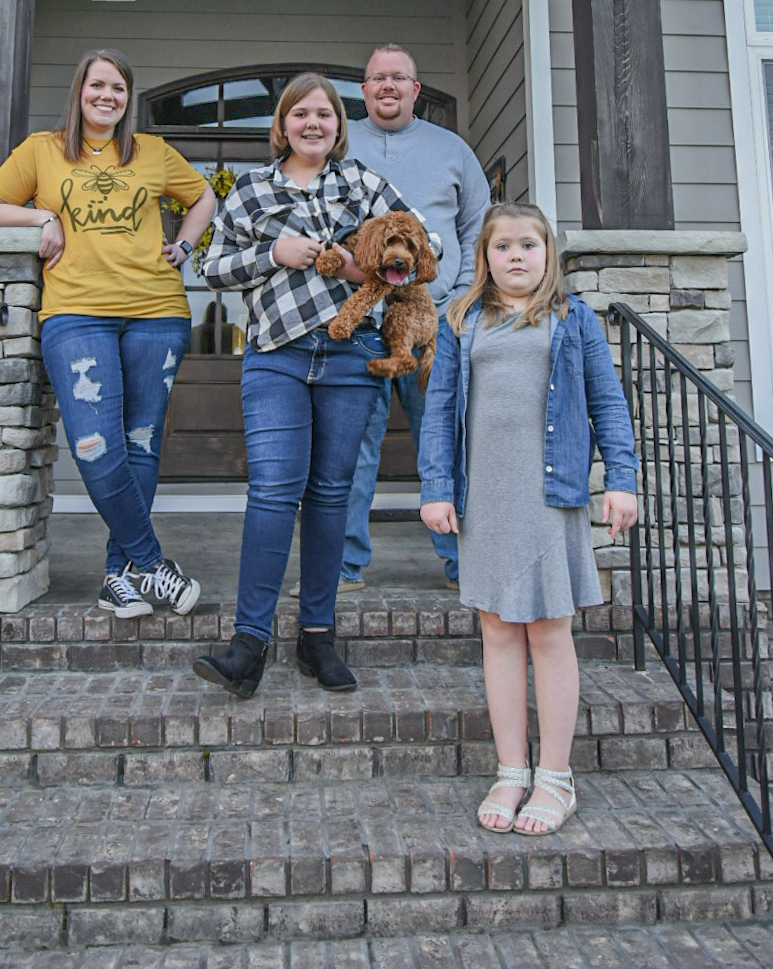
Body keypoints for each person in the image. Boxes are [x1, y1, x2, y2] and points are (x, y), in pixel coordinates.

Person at [193, 72, 438, 699]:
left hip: (351, 357)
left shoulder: (362, 183)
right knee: (274, 491)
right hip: (276, 355)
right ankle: (248, 644)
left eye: (324, 114)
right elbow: (212, 267)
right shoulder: (250, 189)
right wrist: (274, 254)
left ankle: (318, 637)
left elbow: (425, 241)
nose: (312, 123)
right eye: (300, 113)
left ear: (338, 126)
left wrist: (368, 266)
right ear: (282, 125)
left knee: (331, 495)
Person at [418, 202, 638, 835]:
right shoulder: (461, 320)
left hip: (550, 495)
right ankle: (511, 770)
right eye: (502, 246)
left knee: (547, 629)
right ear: (485, 257)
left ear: (549, 254)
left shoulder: (573, 319)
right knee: (497, 628)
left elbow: (607, 404)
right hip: (485, 496)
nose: (516, 255)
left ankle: (556, 778)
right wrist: (436, 488)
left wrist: (621, 480)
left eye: (528, 245)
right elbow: (439, 411)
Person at [0, 49, 215, 620]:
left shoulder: (152, 151)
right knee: (94, 445)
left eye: (118, 88)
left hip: (157, 311)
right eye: (97, 85)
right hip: (76, 314)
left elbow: (204, 195)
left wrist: (184, 245)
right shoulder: (42, 149)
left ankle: (117, 576)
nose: (107, 96)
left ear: (128, 98)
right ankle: (151, 563)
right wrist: (42, 217)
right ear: (79, 91)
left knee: (141, 443)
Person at [334, 43, 489, 592]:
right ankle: (344, 567)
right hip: (362, 327)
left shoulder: (452, 150)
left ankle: (464, 566)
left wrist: (464, 295)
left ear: (415, 90)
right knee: (353, 448)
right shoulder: (340, 144)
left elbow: (478, 226)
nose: (388, 86)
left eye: (399, 77)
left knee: (442, 439)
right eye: (378, 77)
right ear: (364, 89)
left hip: (436, 323)